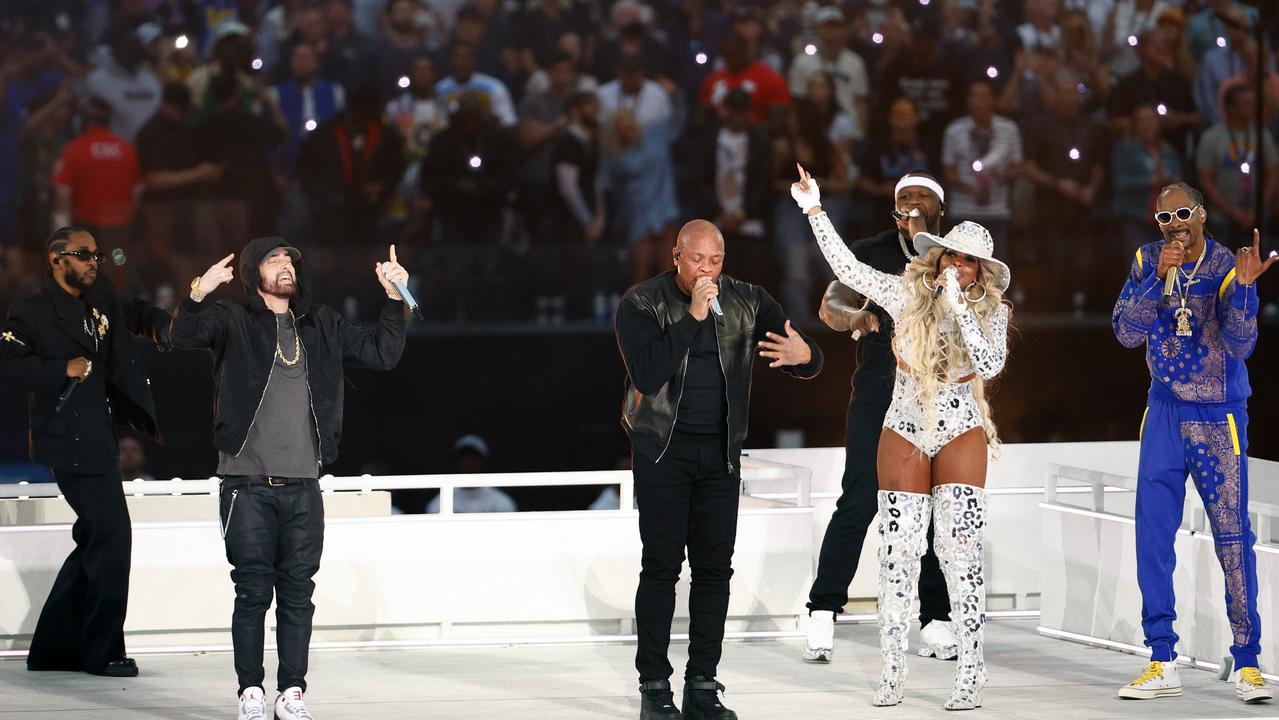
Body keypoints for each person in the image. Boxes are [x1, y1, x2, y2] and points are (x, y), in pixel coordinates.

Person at [793, 164, 1011, 710]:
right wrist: (814, 209)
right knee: (899, 554)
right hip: (903, 421)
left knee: (960, 553)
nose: (957, 267)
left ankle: (970, 673)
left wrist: (960, 308)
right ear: (936, 258)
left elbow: (988, 362)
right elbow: (844, 268)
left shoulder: (994, 313)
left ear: (981, 271)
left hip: (960, 425)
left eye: (968, 261)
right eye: (950, 257)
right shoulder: (903, 294)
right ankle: (890, 672)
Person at [171, 238, 409, 720]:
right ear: (253, 273)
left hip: (304, 483)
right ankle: (251, 692)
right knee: (253, 590)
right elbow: (181, 336)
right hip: (246, 482)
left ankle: (292, 692)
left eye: (291, 260)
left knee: (298, 593)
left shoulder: (321, 323)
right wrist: (198, 291)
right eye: (275, 259)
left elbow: (383, 353)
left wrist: (394, 297)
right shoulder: (234, 319)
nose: (286, 266)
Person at [615, 218, 823, 720]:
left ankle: (703, 687)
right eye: (697, 260)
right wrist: (691, 316)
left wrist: (807, 357)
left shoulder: (748, 300)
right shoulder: (641, 303)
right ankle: (654, 688)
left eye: (715, 261)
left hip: (720, 455)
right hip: (662, 451)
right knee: (662, 569)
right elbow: (647, 372)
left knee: (714, 571)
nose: (707, 270)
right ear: (676, 257)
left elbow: (799, 349)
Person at [1111, 182, 1274, 704]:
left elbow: (1240, 343)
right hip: (1162, 412)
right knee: (1153, 539)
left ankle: (1247, 661)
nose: (1175, 224)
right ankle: (1162, 658)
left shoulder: (1229, 264)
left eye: (1183, 213)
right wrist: (1156, 279)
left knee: (1231, 536)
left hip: (1217, 415)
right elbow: (1125, 333)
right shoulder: (1147, 259)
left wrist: (1246, 290)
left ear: (1202, 214)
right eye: (1164, 218)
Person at [0, 227, 172, 678]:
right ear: (56, 258)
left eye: (97, 254)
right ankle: (103, 651)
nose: (94, 261)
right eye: (83, 254)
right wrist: (62, 369)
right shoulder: (31, 311)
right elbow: (9, 363)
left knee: (96, 538)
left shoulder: (101, 297)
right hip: (65, 440)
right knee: (113, 537)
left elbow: (135, 314)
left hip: (99, 438)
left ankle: (53, 649)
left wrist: (185, 309)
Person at [802, 173, 957, 666]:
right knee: (861, 496)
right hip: (877, 388)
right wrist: (856, 318)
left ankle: (935, 618)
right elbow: (831, 302)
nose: (910, 204)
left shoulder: (953, 257)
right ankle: (823, 609)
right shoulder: (873, 253)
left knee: (935, 502)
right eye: (902, 198)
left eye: (920, 197)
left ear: (939, 207)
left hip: (934, 395)